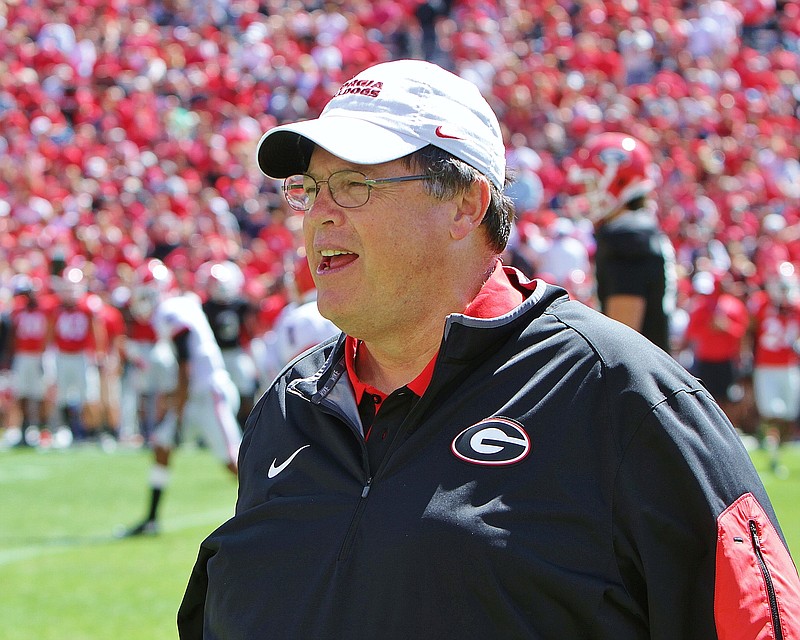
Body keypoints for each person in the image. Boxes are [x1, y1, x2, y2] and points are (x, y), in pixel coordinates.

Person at [178, 59, 800, 639]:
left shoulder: (623, 395)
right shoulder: (288, 408)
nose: (319, 217)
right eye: (310, 190)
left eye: (355, 184)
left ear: (464, 204)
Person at [122, 259, 241, 537]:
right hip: (193, 393)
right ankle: (151, 519)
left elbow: (186, 361)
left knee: (232, 461)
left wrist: (179, 399)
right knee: (162, 445)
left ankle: (276, 508)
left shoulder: (169, 311)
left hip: (206, 392)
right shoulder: (178, 305)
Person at [567, 131, 677, 353]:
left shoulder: (626, 236)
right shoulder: (640, 228)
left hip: (634, 376)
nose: (585, 193)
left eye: (591, 184)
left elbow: (622, 339)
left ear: (617, 180)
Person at [748, 261, 800, 477]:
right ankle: (771, 452)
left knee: (787, 414)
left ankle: (774, 449)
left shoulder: (796, 309)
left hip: (788, 366)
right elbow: (750, 330)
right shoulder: (761, 304)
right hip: (766, 366)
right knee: (771, 412)